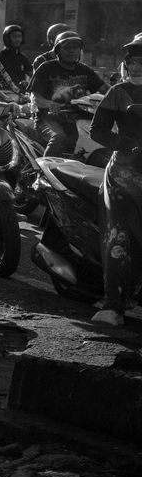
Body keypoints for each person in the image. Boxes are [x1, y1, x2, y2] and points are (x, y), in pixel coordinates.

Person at [89, 34, 142, 327]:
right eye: (133, 60)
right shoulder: (118, 92)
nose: (136, 66)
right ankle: (113, 304)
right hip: (123, 175)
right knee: (118, 236)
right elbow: (97, 130)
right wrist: (125, 144)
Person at [28, 30, 109, 156]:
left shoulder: (85, 70)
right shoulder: (46, 68)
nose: (72, 51)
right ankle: (44, 167)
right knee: (59, 137)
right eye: (67, 47)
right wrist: (50, 104)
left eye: (75, 47)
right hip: (48, 120)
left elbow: (106, 90)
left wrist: (123, 95)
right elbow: (36, 97)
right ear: (58, 50)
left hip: (79, 120)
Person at [0, 24, 33, 90]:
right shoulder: (0, 58)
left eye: (19, 36)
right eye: (14, 36)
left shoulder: (23, 58)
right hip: (5, 92)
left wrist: (27, 82)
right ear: (7, 38)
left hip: (21, 93)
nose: (17, 39)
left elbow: (31, 73)